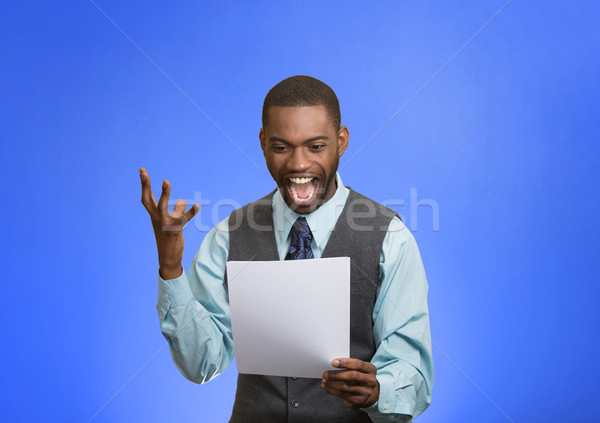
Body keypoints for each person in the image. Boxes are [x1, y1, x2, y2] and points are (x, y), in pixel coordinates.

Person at [140, 75, 433, 422]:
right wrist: (171, 266)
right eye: (281, 147)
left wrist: (379, 390)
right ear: (263, 143)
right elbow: (202, 363)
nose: (298, 164)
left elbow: (412, 371)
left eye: (316, 146)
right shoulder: (228, 235)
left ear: (341, 142)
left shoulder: (390, 238)